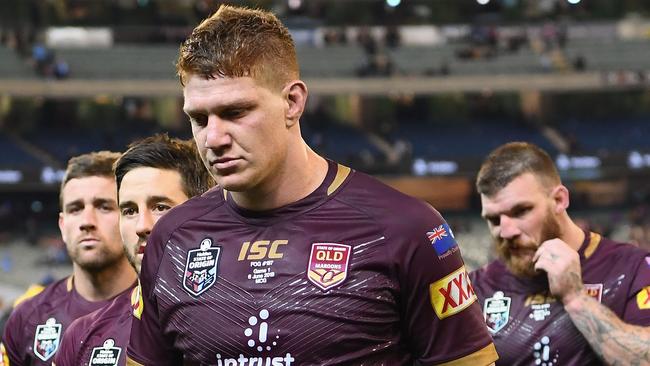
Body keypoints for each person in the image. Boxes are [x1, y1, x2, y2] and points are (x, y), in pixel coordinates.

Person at [126, 5, 498, 366]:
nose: (214, 138)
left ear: (293, 102)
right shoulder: (172, 238)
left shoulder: (406, 228)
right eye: (199, 119)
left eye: (235, 112)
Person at [470, 142, 650, 365]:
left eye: (521, 211)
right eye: (493, 219)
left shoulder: (633, 269)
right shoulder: (476, 288)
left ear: (559, 200)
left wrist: (576, 298)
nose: (506, 232)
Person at [52, 134, 215, 366]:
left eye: (160, 207)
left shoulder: (248, 323)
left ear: (204, 212)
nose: (142, 226)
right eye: (129, 211)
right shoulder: (83, 338)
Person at [1, 152, 137, 366]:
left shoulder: (160, 314)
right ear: (63, 226)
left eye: (104, 207)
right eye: (76, 209)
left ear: (129, 216)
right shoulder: (26, 317)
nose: (87, 222)